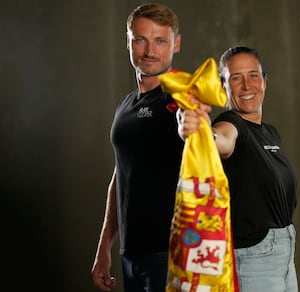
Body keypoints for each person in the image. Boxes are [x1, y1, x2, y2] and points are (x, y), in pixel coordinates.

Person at [178, 46, 298, 291]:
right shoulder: (231, 124)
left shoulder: (270, 133)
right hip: (253, 258)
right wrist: (200, 130)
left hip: (284, 255)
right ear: (223, 86)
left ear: (265, 81)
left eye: (253, 75)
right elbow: (221, 140)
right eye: (235, 78)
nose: (246, 85)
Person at [91, 3, 184, 292]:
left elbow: (212, 152)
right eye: (140, 39)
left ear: (176, 44)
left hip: (174, 254)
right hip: (131, 255)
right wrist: (105, 246)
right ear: (128, 42)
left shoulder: (184, 100)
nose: (149, 51)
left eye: (160, 41)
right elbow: (122, 174)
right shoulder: (125, 106)